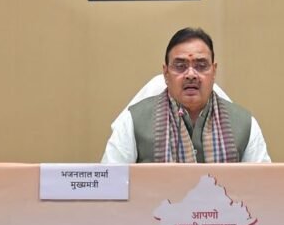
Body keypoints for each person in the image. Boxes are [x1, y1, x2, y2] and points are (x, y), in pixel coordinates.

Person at [102, 27, 271, 163]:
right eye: (180, 66)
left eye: (201, 65)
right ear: (166, 73)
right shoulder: (133, 121)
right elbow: (110, 184)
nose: (191, 74)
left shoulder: (244, 124)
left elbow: (262, 186)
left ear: (214, 71)